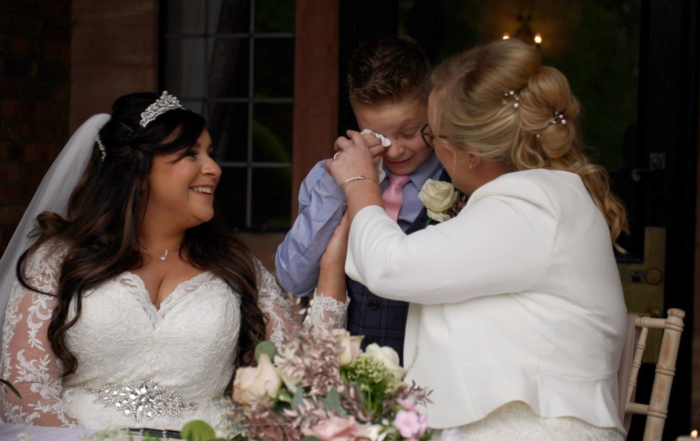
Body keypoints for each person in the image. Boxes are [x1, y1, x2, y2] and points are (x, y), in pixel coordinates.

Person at [326, 38, 629, 440]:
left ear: (469, 152)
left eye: (433, 136)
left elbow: (389, 267)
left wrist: (361, 181)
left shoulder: (531, 205)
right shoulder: (538, 198)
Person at [0, 92, 348, 433]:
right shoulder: (56, 260)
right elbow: (24, 393)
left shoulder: (236, 265)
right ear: (137, 170)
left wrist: (332, 270)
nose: (213, 169)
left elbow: (303, 377)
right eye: (189, 155)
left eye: (210, 154)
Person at [276, 36, 447, 361]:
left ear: (432, 107)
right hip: (347, 368)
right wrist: (339, 188)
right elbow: (294, 280)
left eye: (409, 133)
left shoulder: (458, 176)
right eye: (379, 136)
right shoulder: (326, 179)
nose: (395, 150)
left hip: (430, 366)